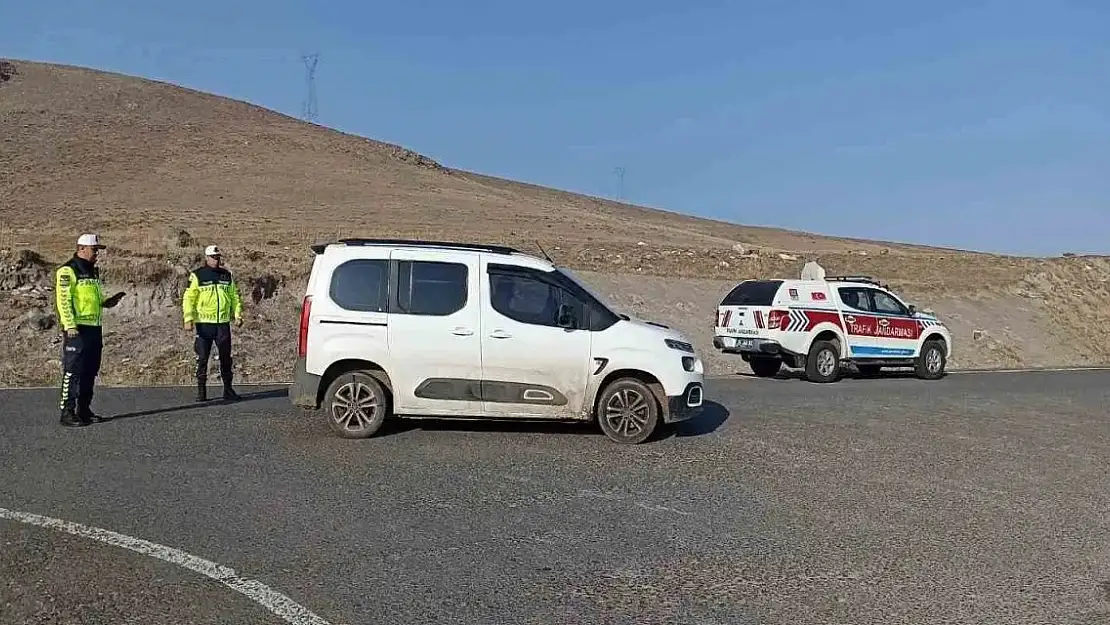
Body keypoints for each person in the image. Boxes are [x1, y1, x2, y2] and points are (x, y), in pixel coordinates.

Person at [55, 233, 125, 427]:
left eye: (98, 250)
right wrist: (70, 326)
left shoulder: (94, 271)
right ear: (81, 249)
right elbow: (64, 301)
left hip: (94, 327)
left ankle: (84, 410)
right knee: (73, 371)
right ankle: (67, 412)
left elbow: (89, 300)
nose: (97, 254)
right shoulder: (68, 270)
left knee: (90, 371)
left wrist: (106, 303)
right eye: (94, 250)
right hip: (77, 329)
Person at [182, 244, 243, 402]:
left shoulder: (226, 275)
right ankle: (201, 391)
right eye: (213, 257)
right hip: (204, 324)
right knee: (202, 358)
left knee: (225, 358)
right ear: (206, 258)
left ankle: (228, 390)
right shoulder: (197, 275)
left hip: (222, 324)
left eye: (218, 257)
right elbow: (189, 298)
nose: (216, 260)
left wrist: (237, 315)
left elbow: (234, 296)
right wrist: (188, 319)